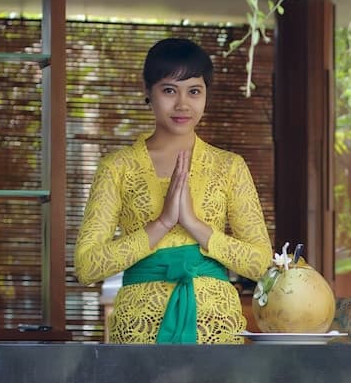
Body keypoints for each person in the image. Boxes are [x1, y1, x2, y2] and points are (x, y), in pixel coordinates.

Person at [74, 37, 272, 343]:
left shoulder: (229, 167)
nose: (182, 104)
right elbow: (87, 267)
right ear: (147, 92)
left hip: (216, 327)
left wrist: (193, 224)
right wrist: (162, 223)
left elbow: (261, 265)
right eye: (169, 90)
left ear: (206, 94)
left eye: (194, 91)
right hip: (138, 329)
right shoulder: (117, 167)